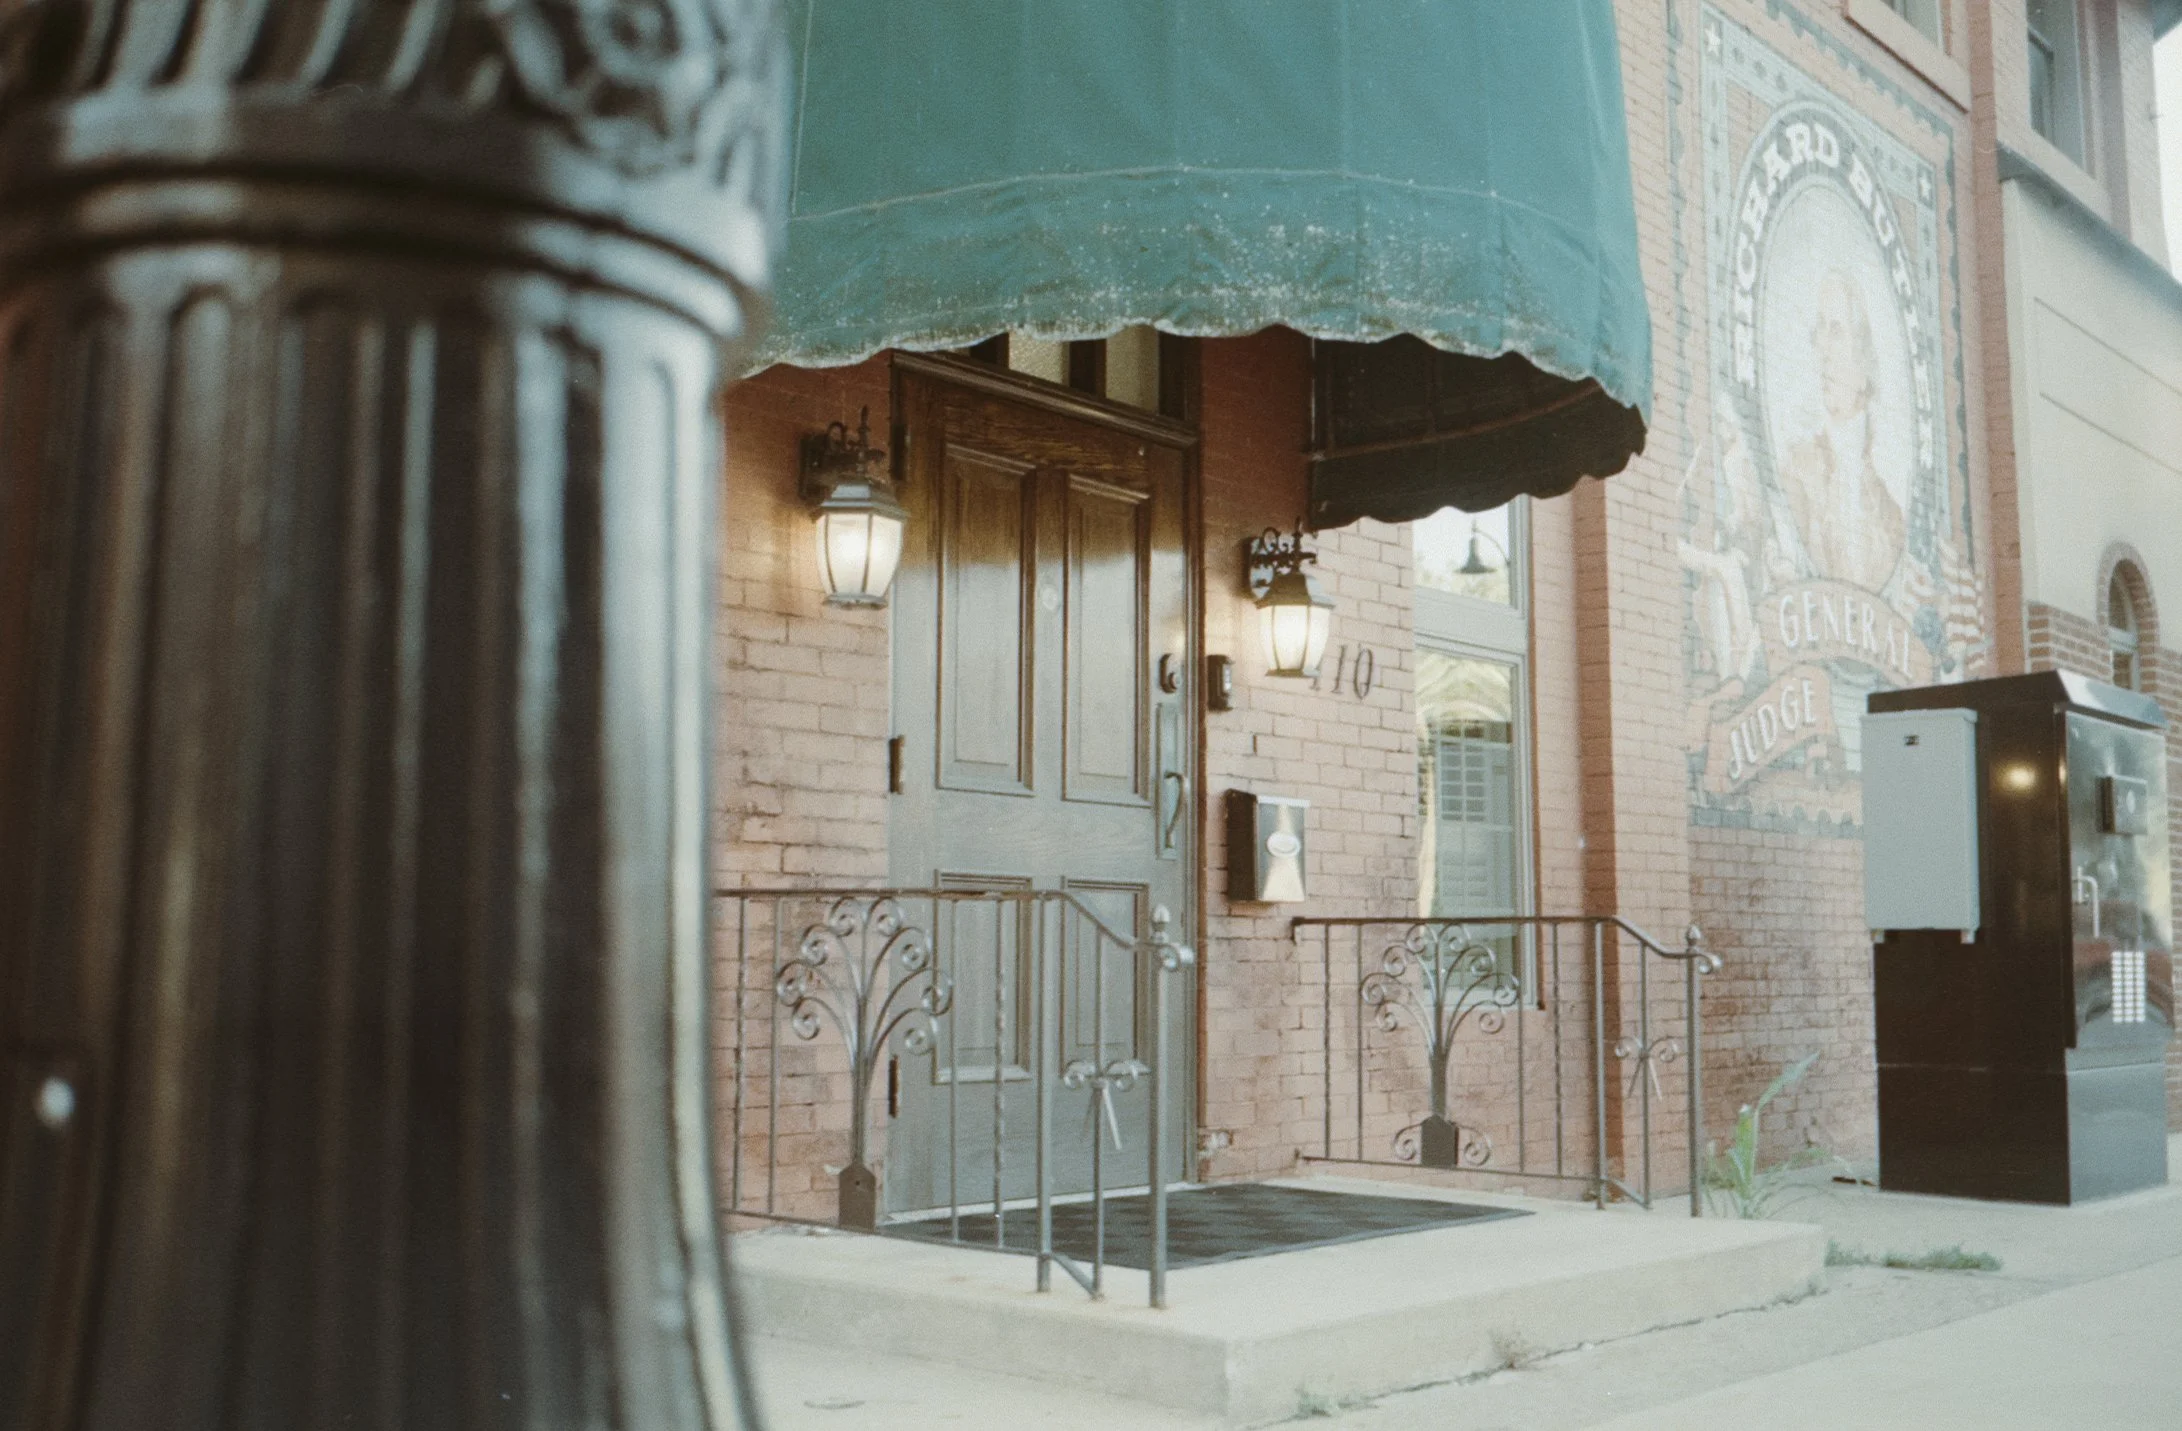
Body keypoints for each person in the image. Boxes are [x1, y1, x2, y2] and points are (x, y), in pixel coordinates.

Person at [1780, 269, 1907, 593]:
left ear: (1864, 362)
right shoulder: (1796, 469)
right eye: (1818, 333)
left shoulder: (1891, 516)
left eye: (1836, 332)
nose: (1822, 349)